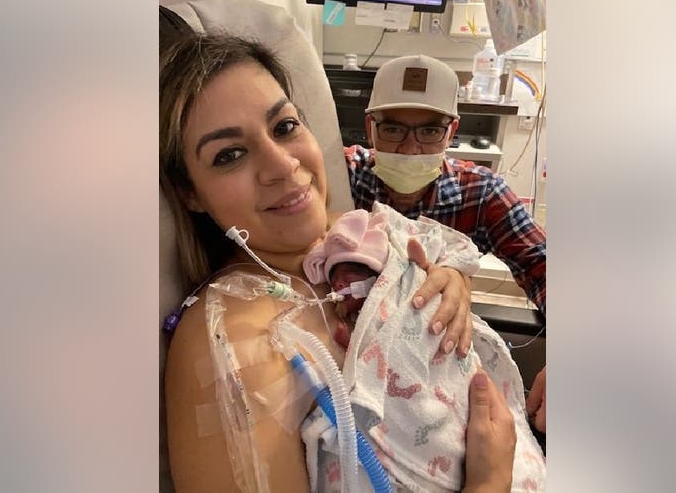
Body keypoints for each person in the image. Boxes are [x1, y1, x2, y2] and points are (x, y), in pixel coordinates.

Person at [160, 31, 518, 492]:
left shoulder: (360, 232)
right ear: (190, 192)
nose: (283, 165)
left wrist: (450, 282)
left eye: (285, 127)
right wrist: (491, 483)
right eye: (229, 155)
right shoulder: (229, 343)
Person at [344, 53, 548, 433]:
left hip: (437, 377)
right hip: (353, 368)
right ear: (370, 127)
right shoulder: (343, 179)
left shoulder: (481, 194)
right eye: (392, 130)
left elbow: (548, 267)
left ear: (451, 131)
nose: (409, 149)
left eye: (428, 131)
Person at [301, 204, 545, 492]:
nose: (409, 156)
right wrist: (489, 484)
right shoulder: (349, 184)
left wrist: (456, 275)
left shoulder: (370, 226)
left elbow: (462, 250)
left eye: (352, 274)